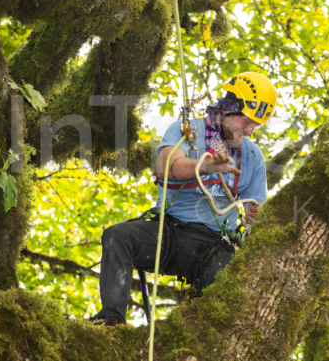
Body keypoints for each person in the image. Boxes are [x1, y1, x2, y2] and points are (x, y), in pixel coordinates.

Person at [93, 72, 277, 326]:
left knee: (231, 290)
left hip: (214, 245)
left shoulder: (252, 156)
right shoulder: (187, 132)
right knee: (118, 235)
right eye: (246, 121)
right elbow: (166, 169)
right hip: (169, 234)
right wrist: (207, 166)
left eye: (255, 126)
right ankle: (111, 321)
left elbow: (257, 209)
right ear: (228, 108)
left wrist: (260, 214)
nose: (248, 130)